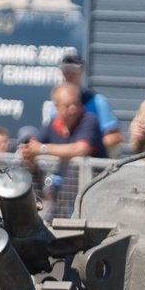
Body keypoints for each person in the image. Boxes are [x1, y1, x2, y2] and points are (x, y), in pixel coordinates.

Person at [19, 81, 106, 214]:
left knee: (74, 165)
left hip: (93, 194)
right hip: (61, 193)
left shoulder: (89, 119)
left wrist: (42, 149)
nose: (73, 108)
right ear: (57, 107)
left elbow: (80, 149)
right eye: (67, 105)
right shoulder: (53, 124)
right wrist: (29, 153)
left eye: (76, 103)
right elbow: (31, 146)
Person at [45, 49, 124, 153]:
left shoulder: (97, 101)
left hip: (90, 158)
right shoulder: (56, 104)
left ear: (82, 70)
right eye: (66, 70)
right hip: (63, 156)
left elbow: (117, 136)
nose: (69, 74)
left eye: (73, 70)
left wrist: (91, 143)